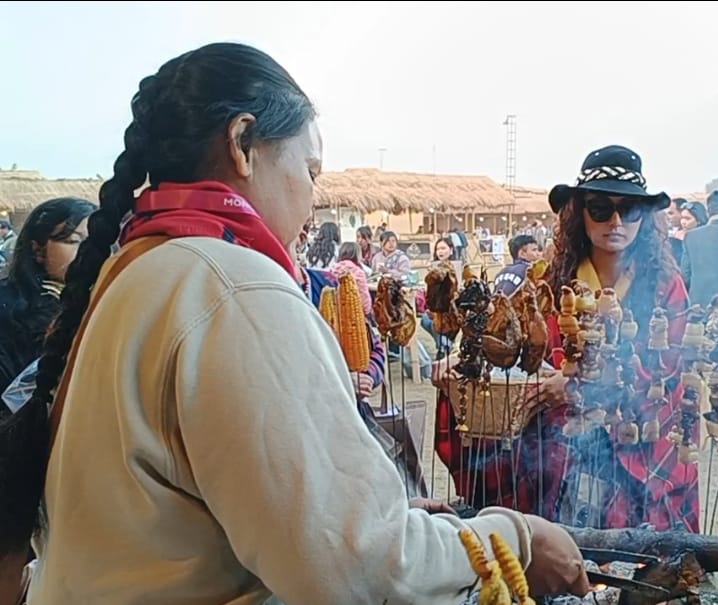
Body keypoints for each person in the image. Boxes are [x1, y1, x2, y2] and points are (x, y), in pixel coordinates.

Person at [0, 42, 588, 605]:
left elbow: (204, 513)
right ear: (242, 143)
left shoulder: (139, 268)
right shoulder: (231, 285)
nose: (312, 199)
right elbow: (358, 574)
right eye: (309, 170)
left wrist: (383, 514)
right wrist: (518, 539)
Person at [435, 144, 698, 532]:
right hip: (558, 442)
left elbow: (674, 369)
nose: (616, 221)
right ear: (580, 213)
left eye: (630, 209)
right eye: (600, 208)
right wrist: (465, 361)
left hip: (636, 435)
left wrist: (578, 385)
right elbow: (512, 339)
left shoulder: (665, 284)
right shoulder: (548, 279)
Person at [0, 198, 95, 394]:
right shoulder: (7, 307)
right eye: (73, 241)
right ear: (38, 250)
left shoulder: (109, 303)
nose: (88, 252)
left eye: (95, 242)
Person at [329, 241, 373, 316]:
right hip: (355, 313)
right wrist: (368, 312)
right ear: (357, 255)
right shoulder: (358, 273)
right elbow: (364, 299)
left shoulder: (333, 269)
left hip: (337, 312)